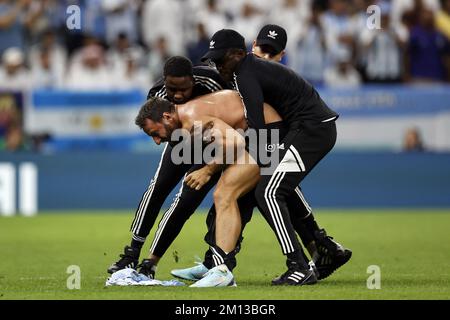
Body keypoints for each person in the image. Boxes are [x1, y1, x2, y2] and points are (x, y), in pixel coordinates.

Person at [173, 24, 351, 283]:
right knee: (269, 189)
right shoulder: (247, 72)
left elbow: (255, 127)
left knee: (267, 192)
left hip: (311, 131)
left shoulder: (246, 75)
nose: (216, 66)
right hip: (305, 130)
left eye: (219, 59)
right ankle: (323, 250)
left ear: (236, 54)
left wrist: (216, 165)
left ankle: (298, 265)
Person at [134, 90, 282, 286]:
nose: (157, 141)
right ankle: (215, 265)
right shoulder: (190, 114)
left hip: (268, 134)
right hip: (261, 132)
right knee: (233, 201)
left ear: (167, 116)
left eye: (155, 133)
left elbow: (235, 143)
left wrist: (207, 171)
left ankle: (222, 271)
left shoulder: (192, 121)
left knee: (225, 195)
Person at [107, 56, 227, 275]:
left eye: (184, 88)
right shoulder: (157, 95)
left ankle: (152, 262)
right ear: (164, 81)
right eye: (172, 89)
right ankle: (131, 254)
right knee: (158, 188)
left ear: (193, 79)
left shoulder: (212, 81)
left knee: (186, 200)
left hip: (213, 140)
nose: (178, 95)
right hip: (180, 138)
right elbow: (160, 127)